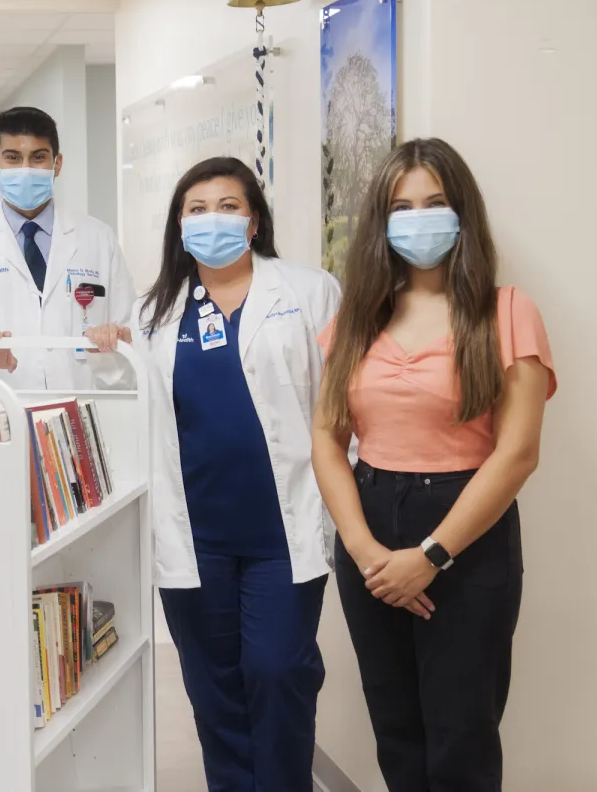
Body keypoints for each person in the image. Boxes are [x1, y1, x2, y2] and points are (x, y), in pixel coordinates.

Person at [86, 156, 340, 792]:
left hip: (283, 533)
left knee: (280, 673)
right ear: (179, 225)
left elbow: (342, 407)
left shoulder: (309, 293)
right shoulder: (152, 315)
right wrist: (108, 354)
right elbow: (127, 415)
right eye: (196, 209)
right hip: (195, 537)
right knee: (214, 691)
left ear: (253, 219)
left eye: (228, 205)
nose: (213, 219)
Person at [311, 138, 556, 792]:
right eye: (402, 206)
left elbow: (517, 453)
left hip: (465, 533)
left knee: (462, 737)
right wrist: (364, 551)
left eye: (435, 202)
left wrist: (432, 553)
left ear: (462, 212)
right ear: (380, 223)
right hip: (369, 527)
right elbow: (327, 440)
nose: (419, 217)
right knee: (396, 730)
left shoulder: (506, 312)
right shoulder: (357, 319)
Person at [0, 106, 135, 389]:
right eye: (12, 158)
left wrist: (111, 342)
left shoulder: (98, 239)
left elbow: (132, 332)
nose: (25, 169)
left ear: (57, 164)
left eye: (38, 158)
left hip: (81, 412)